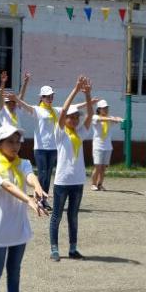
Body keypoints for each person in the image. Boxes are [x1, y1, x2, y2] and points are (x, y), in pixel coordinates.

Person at [0, 124, 49, 292]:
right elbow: (8, 186)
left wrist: (38, 188)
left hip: (18, 225)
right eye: (10, 141)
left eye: (18, 141)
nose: (15, 145)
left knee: (14, 271)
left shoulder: (24, 163)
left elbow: (30, 177)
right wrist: (29, 200)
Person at [49, 76, 94, 261]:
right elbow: (63, 110)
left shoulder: (80, 133)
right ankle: (54, 249)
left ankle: (73, 249)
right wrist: (75, 90)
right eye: (71, 117)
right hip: (62, 181)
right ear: (65, 119)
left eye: (77, 117)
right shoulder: (60, 133)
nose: (74, 119)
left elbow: (90, 115)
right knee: (57, 216)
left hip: (78, 181)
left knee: (73, 217)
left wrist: (88, 94)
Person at [91, 100, 123, 191]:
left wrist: (119, 119)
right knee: (97, 166)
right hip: (98, 146)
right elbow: (102, 119)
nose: (106, 109)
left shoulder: (109, 118)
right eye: (104, 108)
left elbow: (115, 120)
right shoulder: (95, 117)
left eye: (107, 108)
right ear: (99, 109)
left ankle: (100, 184)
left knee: (103, 168)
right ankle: (93, 184)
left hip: (108, 146)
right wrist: (111, 119)